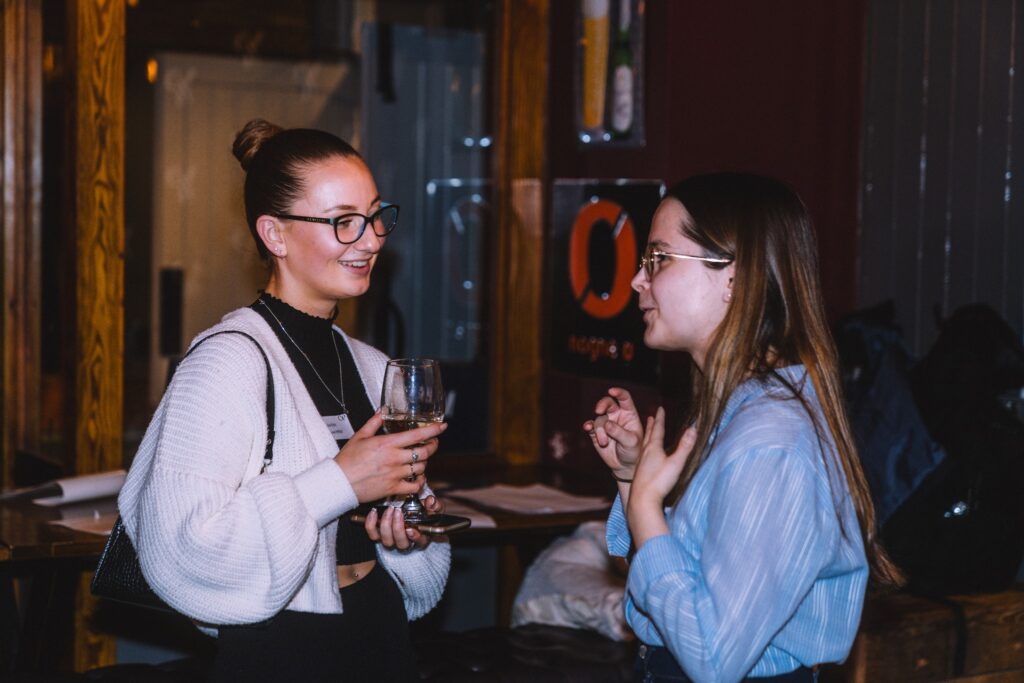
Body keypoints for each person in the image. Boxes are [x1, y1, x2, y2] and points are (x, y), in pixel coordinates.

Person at [118, 119, 450, 682]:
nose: (370, 239)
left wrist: (404, 534)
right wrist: (340, 482)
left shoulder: (373, 366)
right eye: (343, 222)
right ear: (274, 235)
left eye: (373, 216)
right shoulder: (225, 363)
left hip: (379, 630)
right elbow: (181, 549)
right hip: (282, 648)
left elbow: (382, 525)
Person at [583, 173, 902, 683]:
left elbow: (712, 656)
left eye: (659, 259)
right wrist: (631, 479)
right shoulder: (737, 410)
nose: (637, 281)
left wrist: (644, 506)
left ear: (737, 279)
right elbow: (676, 593)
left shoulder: (771, 441)